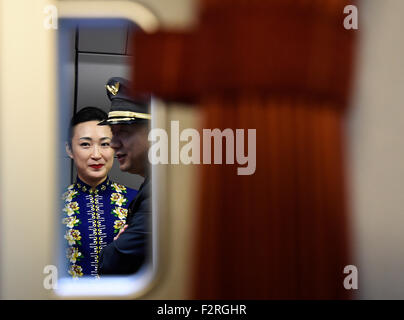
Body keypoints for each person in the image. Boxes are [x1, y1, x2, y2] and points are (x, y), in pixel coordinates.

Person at [61, 106, 138, 278]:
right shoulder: (52, 206)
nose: (96, 154)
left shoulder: (136, 201)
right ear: (69, 149)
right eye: (85, 144)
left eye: (105, 144)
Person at [97, 77, 151, 275]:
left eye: (124, 132)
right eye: (113, 133)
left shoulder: (159, 194)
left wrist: (116, 246)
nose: (113, 143)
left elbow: (112, 263)